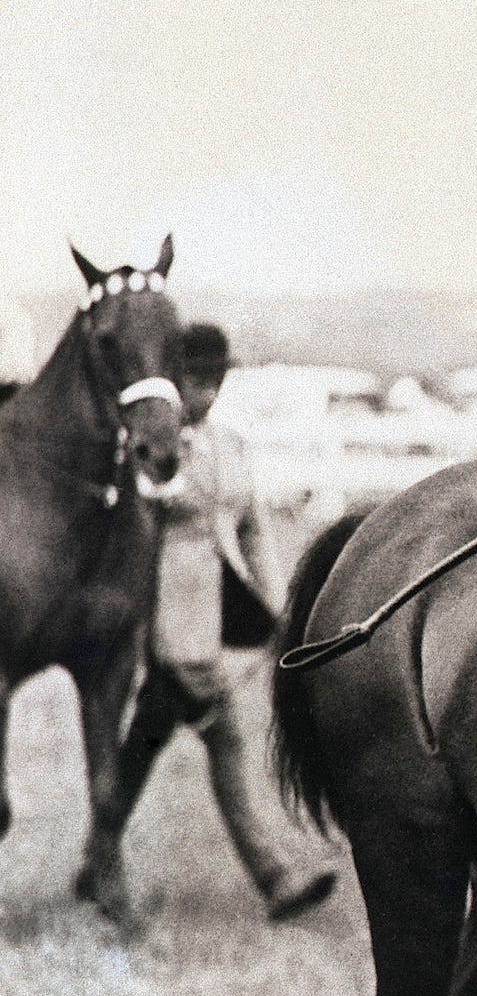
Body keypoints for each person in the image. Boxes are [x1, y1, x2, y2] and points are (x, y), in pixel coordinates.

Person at [95, 322, 335, 920]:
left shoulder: (232, 447)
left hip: (220, 616)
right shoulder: (151, 451)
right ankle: (276, 878)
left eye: (217, 380)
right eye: (198, 380)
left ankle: (96, 860)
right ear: (175, 382)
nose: (209, 393)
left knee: (140, 751)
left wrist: (281, 609)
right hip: (167, 626)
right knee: (225, 739)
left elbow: (253, 535)